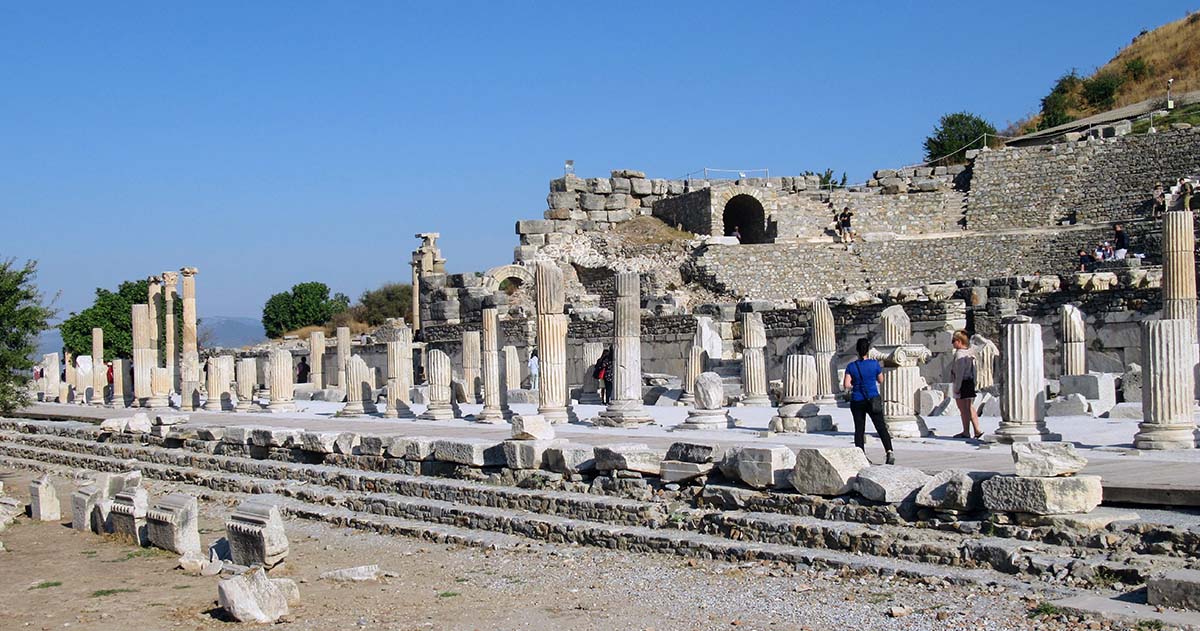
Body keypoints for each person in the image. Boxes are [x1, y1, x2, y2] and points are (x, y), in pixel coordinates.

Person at [842, 337, 894, 464]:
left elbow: (847, 384)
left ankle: (861, 455)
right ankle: (889, 451)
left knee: (859, 429)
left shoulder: (851, 366)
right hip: (872, 398)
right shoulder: (874, 364)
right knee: (881, 426)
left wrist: (856, 382)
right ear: (868, 350)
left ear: (857, 350)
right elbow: (881, 380)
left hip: (857, 400)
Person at [949, 330, 982, 439]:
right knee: (970, 408)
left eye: (953, 341)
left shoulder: (959, 354)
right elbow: (982, 343)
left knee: (963, 409)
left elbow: (959, 373)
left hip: (962, 383)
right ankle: (977, 430)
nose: (952, 343)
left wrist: (957, 388)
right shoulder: (970, 351)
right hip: (970, 382)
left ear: (959, 341)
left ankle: (966, 431)